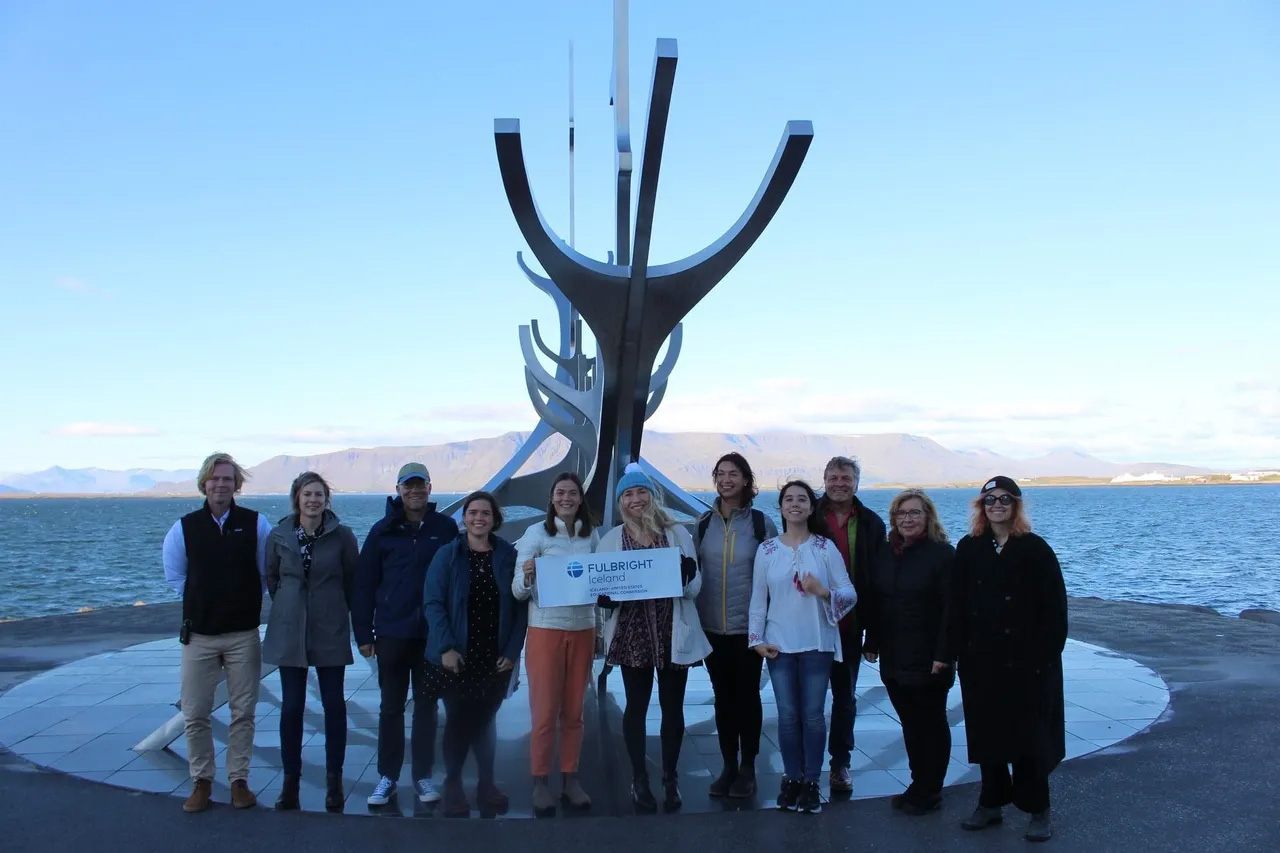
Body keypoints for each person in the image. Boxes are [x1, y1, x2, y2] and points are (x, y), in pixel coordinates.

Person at [951, 476, 1067, 843]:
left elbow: (1055, 611)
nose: (996, 505)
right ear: (981, 507)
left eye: (1004, 499)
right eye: (989, 500)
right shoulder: (969, 548)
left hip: (1027, 663)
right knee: (988, 737)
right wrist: (953, 652)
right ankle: (991, 802)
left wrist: (1043, 659)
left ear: (1016, 505)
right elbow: (955, 605)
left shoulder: (1035, 549)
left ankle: (1038, 810)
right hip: (982, 661)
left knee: (1030, 740)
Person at [161, 451, 273, 813]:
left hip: (243, 634)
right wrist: (204, 601)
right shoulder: (184, 528)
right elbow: (177, 576)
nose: (221, 484)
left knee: (244, 711)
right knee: (195, 712)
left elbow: (265, 572)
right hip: (200, 636)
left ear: (236, 484)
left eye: (227, 478)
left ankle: (239, 780)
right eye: (214, 478)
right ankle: (202, 782)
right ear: (204, 483)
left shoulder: (257, 525)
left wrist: (239, 601)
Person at [598, 462, 710, 814]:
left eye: (641, 491)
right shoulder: (611, 541)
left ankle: (670, 776)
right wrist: (605, 599)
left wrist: (687, 576)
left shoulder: (677, 533)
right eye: (628, 494)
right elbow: (603, 589)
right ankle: (639, 778)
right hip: (633, 634)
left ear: (652, 495)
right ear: (620, 502)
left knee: (673, 708)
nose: (636, 499)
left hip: (671, 629)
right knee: (636, 706)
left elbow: (694, 588)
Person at [351, 462, 459, 807]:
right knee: (391, 708)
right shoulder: (382, 532)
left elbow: (457, 581)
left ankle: (423, 776)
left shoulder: (445, 529)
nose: (415, 491)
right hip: (392, 635)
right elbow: (364, 585)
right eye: (408, 486)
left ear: (430, 487)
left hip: (432, 637)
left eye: (421, 485)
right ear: (398, 489)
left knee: (426, 708)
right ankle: (388, 776)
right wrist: (363, 634)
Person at [748, 480, 856, 815]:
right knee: (787, 716)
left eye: (802, 499)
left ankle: (811, 780)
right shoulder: (766, 551)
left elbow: (849, 593)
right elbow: (757, 601)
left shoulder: (825, 548)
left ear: (811, 507)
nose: (795, 504)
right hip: (779, 644)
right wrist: (756, 640)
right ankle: (791, 777)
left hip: (817, 643)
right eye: (789, 499)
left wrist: (823, 592)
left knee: (812, 716)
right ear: (780, 507)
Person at [424, 491, 529, 818]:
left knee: (485, 721)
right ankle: (453, 782)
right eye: (472, 512)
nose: (478, 518)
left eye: (485, 513)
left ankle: (486, 781)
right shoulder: (447, 555)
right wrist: (446, 648)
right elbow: (433, 603)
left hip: (494, 656)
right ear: (465, 517)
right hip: (457, 656)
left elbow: (521, 607)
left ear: (494, 518)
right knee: (458, 720)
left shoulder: (507, 556)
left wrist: (512, 652)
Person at [262, 472, 360, 812]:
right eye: (307, 494)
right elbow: (272, 578)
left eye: (319, 494)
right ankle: (291, 782)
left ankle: (334, 781)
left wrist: (335, 609)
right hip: (290, 629)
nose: (313, 500)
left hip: (329, 627)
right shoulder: (278, 535)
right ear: (297, 498)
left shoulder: (343, 537)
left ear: (326, 499)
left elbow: (352, 580)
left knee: (334, 705)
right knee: (291, 707)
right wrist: (291, 605)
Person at [862, 489, 956, 815]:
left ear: (928, 517)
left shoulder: (943, 555)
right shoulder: (887, 554)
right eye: (902, 514)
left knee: (930, 724)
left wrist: (944, 655)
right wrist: (871, 642)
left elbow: (951, 610)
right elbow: (877, 600)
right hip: (893, 655)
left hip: (930, 658)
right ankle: (919, 784)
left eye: (915, 513)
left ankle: (931, 790)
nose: (908, 519)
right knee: (911, 725)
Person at [513, 472, 599, 814]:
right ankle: (540, 781)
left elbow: (601, 582)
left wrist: (602, 629)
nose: (566, 498)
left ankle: (570, 778)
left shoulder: (591, 535)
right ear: (551, 498)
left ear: (581, 499)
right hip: (546, 630)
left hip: (583, 629)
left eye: (573, 493)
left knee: (575, 710)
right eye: (560, 492)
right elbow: (518, 590)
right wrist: (529, 575)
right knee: (546, 711)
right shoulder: (535, 534)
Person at [693, 452, 777, 798]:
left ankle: (748, 768)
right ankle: (728, 766)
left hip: (749, 629)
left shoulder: (761, 524)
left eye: (734, 474)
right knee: (722, 698)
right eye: (721, 474)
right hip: (712, 627)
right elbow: (691, 573)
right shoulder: (702, 524)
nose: (726, 480)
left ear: (746, 480)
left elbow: (776, 573)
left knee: (747, 697)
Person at [814, 455, 886, 795]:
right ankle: (804, 762)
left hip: (850, 627)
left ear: (856, 483)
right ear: (824, 480)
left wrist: (875, 634)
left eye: (846, 478)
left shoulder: (871, 523)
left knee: (844, 698)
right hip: (810, 626)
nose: (839, 483)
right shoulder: (808, 516)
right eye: (833, 477)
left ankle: (840, 763)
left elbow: (877, 582)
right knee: (809, 700)